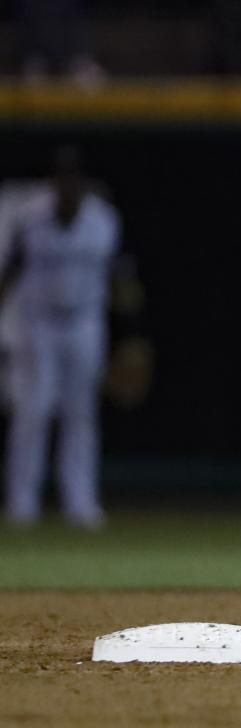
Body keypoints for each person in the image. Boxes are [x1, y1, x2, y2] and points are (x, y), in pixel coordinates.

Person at [2, 148, 121, 528]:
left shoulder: (103, 220)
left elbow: (120, 275)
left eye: (74, 179)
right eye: (62, 179)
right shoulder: (30, 219)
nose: (67, 186)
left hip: (85, 321)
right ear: (53, 184)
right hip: (37, 323)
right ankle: (22, 503)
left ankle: (80, 501)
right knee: (34, 410)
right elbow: (9, 272)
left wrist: (132, 334)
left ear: (83, 184)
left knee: (81, 413)